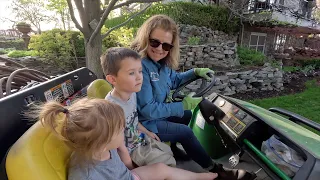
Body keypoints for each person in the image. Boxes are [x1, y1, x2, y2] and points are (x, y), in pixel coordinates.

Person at [131, 14, 256, 180]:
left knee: (187, 115)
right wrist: (182, 104)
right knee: (185, 132)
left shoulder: (161, 64)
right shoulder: (141, 67)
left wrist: (195, 72)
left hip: (153, 116)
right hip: (142, 123)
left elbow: (174, 80)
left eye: (166, 45)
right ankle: (216, 170)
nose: (160, 49)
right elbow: (147, 110)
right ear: (146, 38)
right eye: (155, 42)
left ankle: (174, 148)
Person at [35, 98, 218, 180]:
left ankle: (199, 176)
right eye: (119, 129)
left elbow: (125, 164)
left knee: (161, 168)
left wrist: (127, 158)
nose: (124, 129)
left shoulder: (106, 148)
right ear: (102, 140)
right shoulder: (86, 175)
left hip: (130, 176)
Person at [102, 47, 175, 167]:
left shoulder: (132, 93)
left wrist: (147, 132)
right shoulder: (112, 109)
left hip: (139, 138)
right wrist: (131, 170)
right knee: (169, 163)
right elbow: (118, 147)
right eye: (131, 73)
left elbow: (133, 120)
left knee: (168, 151)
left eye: (140, 71)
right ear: (112, 79)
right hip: (130, 151)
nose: (139, 77)